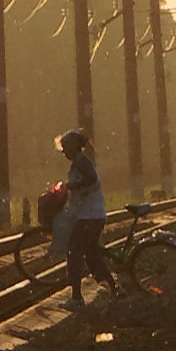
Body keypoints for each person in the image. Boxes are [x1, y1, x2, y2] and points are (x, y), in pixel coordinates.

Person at [56, 127, 109, 307]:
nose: (63, 151)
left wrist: (72, 186)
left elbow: (91, 180)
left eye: (65, 147)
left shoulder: (82, 162)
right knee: (92, 253)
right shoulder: (80, 161)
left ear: (74, 147)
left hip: (89, 215)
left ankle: (77, 297)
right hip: (92, 214)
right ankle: (114, 287)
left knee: (74, 252)